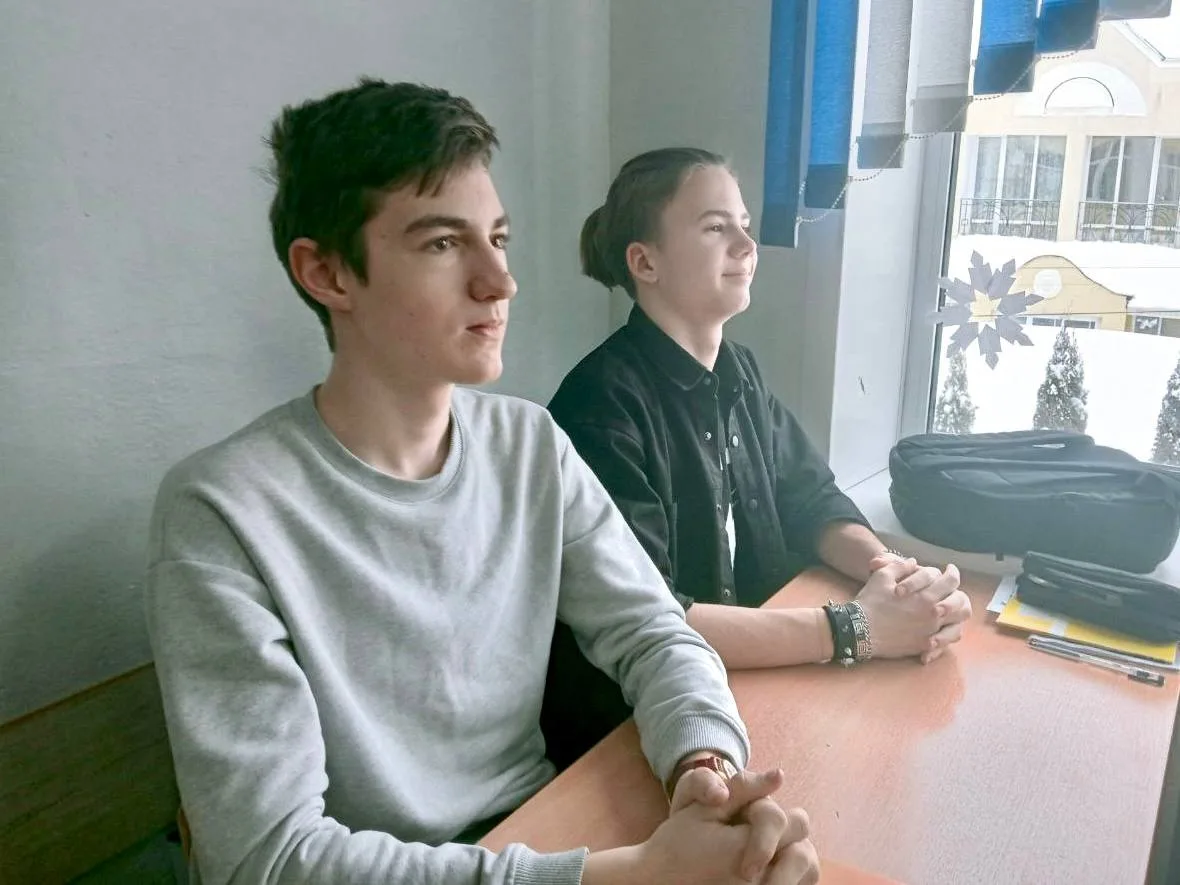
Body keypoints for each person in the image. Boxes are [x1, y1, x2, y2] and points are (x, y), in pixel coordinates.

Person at [145, 82, 821, 885]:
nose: (499, 280)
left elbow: (654, 631)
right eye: (442, 243)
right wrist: (624, 875)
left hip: (543, 827)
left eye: (498, 238)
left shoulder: (529, 444)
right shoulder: (221, 513)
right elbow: (272, 858)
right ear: (326, 272)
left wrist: (704, 770)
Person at [541, 148, 973, 767]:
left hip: (754, 680)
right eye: (716, 227)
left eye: (744, 224)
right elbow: (652, 620)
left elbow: (811, 500)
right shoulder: (600, 406)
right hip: (638, 726)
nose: (747, 245)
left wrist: (898, 581)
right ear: (645, 262)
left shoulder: (739, 370)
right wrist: (858, 628)